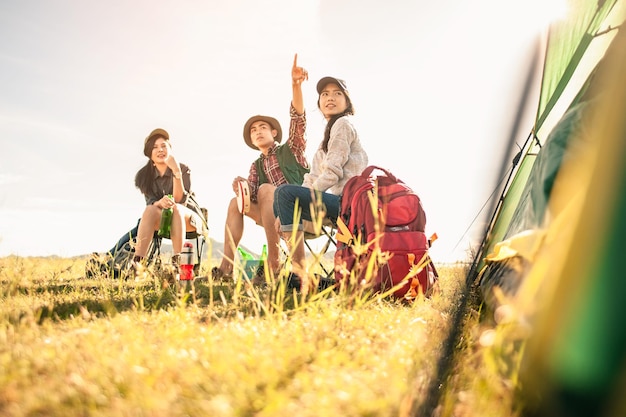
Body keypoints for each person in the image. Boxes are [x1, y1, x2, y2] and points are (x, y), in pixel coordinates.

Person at [211, 53, 310, 281]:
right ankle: (226, 269)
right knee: (235, 203)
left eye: (262, 127)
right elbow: (251, 197)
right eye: (253, 130)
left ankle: (273, 263)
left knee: (267, 190)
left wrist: (296, 85)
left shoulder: (291, 149)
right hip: (271, 215)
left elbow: (298, 120)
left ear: (273, 132)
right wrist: (242, 188)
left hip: (300, 210)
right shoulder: (256, 165)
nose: (257, 131)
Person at [273, 76, 369, 292]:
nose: (330, 98)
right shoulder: (325, 139)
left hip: (350, 205)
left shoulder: (343, 124)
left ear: (347, 101)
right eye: (324, 94)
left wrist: (297, 200)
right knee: (279, 198)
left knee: (284, 194)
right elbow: (312, 176)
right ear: (319, 102)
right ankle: (300, 274)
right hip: (335, 204)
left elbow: (332, 173)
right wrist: (283, 209)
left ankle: (300, 274)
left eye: (337, 93)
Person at [131, 128, 206, 278]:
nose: (160, 150)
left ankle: (179, 265)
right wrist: (159, 202)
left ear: (170, 149)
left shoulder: (182, 168)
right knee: (149, 211)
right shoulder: (144, 176)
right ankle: (137, 267)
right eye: (155, 147)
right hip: (164, 220)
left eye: (164, 146)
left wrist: (176, 171)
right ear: (150, 155)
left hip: (189, 219)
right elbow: (150, 203)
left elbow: (180, 200)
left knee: (176, 208)